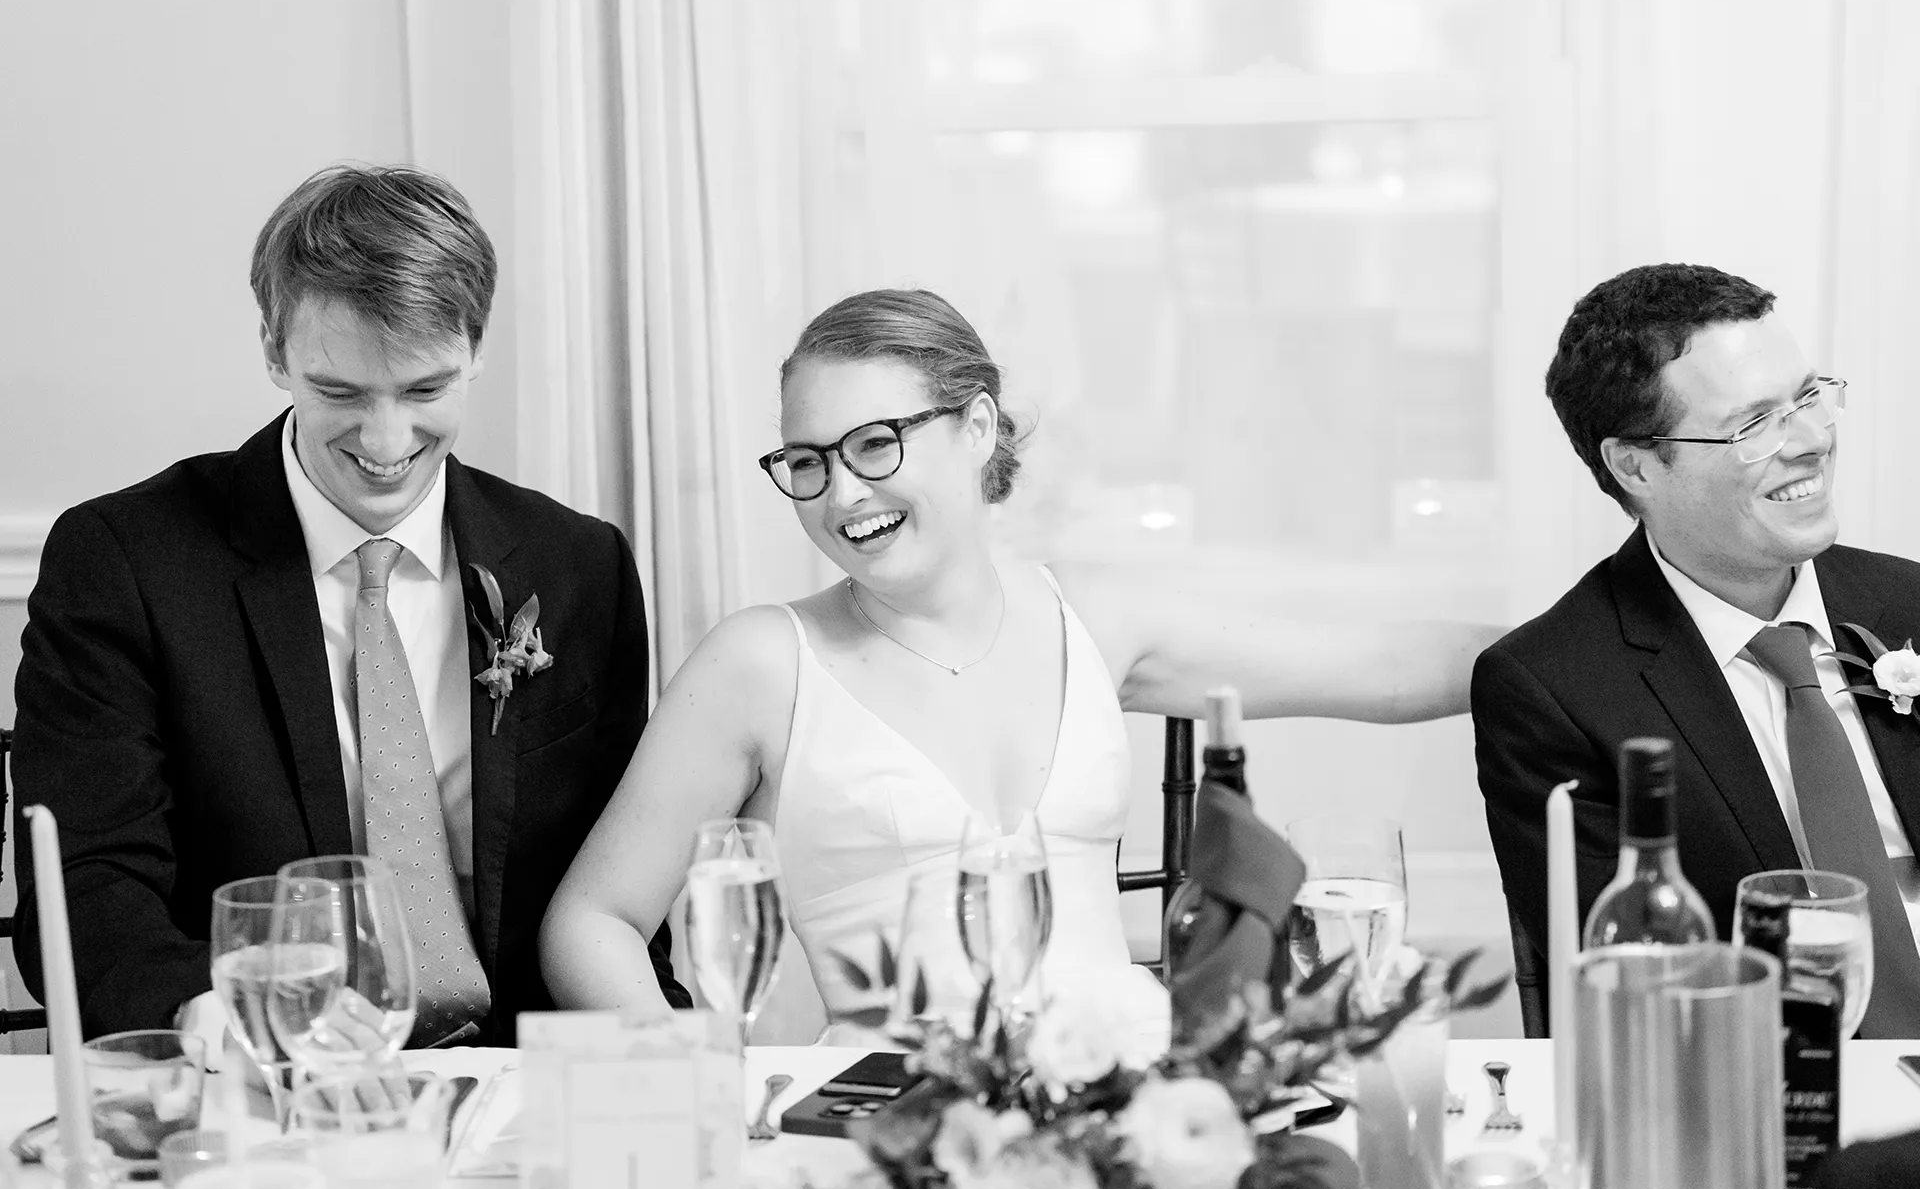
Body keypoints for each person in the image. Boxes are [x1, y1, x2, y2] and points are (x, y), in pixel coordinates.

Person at [541, 288, 1502, 1029]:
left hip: (1131, 1110)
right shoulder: (761, 661)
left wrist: (1614, 646)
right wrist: (688, 1098)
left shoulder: (1095, 614)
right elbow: (593, 920)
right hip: (898, 1143)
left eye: (875, 445)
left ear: (977, 428)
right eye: (808, 461)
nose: (840, 495)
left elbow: (1374, 667)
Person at [10, 164, 688, 1047]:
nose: (385, 441)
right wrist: (208, 1010)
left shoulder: (577, 565)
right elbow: (88, 879)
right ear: (272, 349)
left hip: (533, 1081)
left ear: (477, 348)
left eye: (424, 390)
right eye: (340, 393)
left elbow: (622, 889)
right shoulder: (125, 561)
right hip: (266, 1072)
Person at [1473, 263, 1920, 1037]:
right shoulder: (1553, 691)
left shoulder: (1909, 602)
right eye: (1754, 426)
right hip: (1778, 1096)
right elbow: (1634, 999)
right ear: (1635, 465)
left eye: (1809, 398)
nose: (1812, 442)